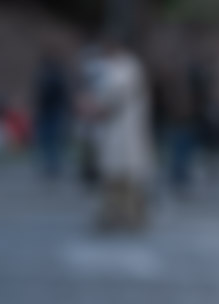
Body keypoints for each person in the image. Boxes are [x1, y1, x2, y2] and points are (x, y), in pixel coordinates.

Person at [82, 40, 155, 231]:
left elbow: (112, 96)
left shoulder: (124, 68)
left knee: (122, 175)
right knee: (119, 175)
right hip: (121, 130)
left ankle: (124, 216)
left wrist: (94, 107)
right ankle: (120, 215)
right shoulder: (127, 67)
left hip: (122, 131)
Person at [34, 50, 72, 179]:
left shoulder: (48, 75)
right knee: (50, 139)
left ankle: (52, 165)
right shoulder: (54, 74)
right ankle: (52, 165)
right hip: (50, 111)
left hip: (52, 111)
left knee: (50, 139)